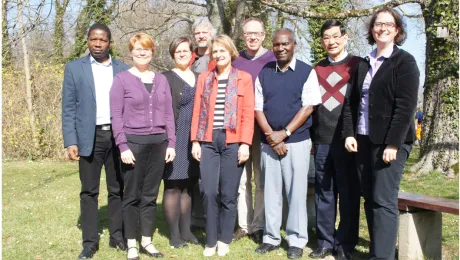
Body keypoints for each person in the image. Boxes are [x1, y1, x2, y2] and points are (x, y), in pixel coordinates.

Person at [342, 7, 419, 259]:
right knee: (369, 198)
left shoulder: (404, 62)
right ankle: (380, 250)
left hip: (390, 143)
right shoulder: (363, 62)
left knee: (383, 200)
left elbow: (406, 107)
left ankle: (382, 257)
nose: (382, 28)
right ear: (371, 30)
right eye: (378, 24)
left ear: (397, 30)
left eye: (388, 24)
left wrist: (393, 144)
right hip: (363, 140)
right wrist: (349, 133)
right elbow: (351, 103)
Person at [62, 23, 128, 259]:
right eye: (93, 40)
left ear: (110, 42)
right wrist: (71, 141)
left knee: (117, 189)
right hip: (88, 137)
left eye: (102, 40)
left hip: (117, 136)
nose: (97, 44)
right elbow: (68, 108)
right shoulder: (74, 68)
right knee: (89, 192)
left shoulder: (123, 69)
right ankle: (90, 242)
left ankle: (117, 236)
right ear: (87, 41)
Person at [254, 28, 322, 259]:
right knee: (271, 192)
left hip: (297, 142)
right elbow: (258, 107)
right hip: (268, 142)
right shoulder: (264, 72)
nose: (280, 48)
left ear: (294, 45)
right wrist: (271, 136)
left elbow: (309, 106)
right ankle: (271, 238)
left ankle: (296, 240)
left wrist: (285, 133)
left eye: (285, 44)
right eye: (276, 45)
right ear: (272, 46)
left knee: (296, 193)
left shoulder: (306, 71)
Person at [110, 33, 176, 260]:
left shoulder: (161, 80)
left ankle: (146, 240)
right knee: (131, 196)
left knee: (150, 195)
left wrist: (171, 143)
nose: (142, 52)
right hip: (133, 145)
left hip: (159, 144)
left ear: (152, 51)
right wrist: (123, 146)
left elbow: (168, 114)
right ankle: (131, 244)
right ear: (131, 52)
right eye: (137, 49)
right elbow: (116, 117)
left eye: (146, 49)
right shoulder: (121, 80)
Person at [190, 34, 254, 257]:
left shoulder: (243, 78)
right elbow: (197, 111)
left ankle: (224, 238)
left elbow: (247, 113)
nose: (218, 55)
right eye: (215, 51)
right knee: (208, 191)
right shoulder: (204, 79)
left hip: (233, 140)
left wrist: (245, 143)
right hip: (208, 140)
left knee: (228, 193)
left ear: (230, 51)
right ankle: (210, 240)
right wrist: (195, 141)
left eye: (222, 50)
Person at [309, 20, 361, 260]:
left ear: (345, 37)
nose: (331, 41)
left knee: (348, 193)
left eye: (335, 36)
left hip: (347, 141)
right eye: (326, 38)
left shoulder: (358, 65)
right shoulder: (316, 69)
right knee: (324, 193)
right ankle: (324, 242)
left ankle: (345, 243)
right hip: (321, 140)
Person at [231, 17, 276, 243]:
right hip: (239, 129)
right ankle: (243, 224)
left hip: (263, 129)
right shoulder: (235, 59)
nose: (252, 37)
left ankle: (258, 224)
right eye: (248, 33)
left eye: (256, 33)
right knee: (241, 181)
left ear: (264, 35)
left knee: (260, 180)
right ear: (242, 35)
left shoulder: (273, 58)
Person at [162, 36, 200, 248]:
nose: (182, 54)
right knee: (173, 185)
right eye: (178, 51)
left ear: (192, 52)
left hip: (194, 137)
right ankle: (174, 234)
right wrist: (168, 141)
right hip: (175, 135)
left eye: (185, 50)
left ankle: (186, 231)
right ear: (173, 54)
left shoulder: (200, 76)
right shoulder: (165, 77)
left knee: (188, 185)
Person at [189, 18, 217, 229]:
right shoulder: (188, 57)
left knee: (209, 174)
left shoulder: (217, 56)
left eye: (204, 32)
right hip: (188, 118)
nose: (201, 36)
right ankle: (195, 217)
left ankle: (212, 217)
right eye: (197, 33)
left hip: (211, 122)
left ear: (211, 34)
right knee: (192, 171)